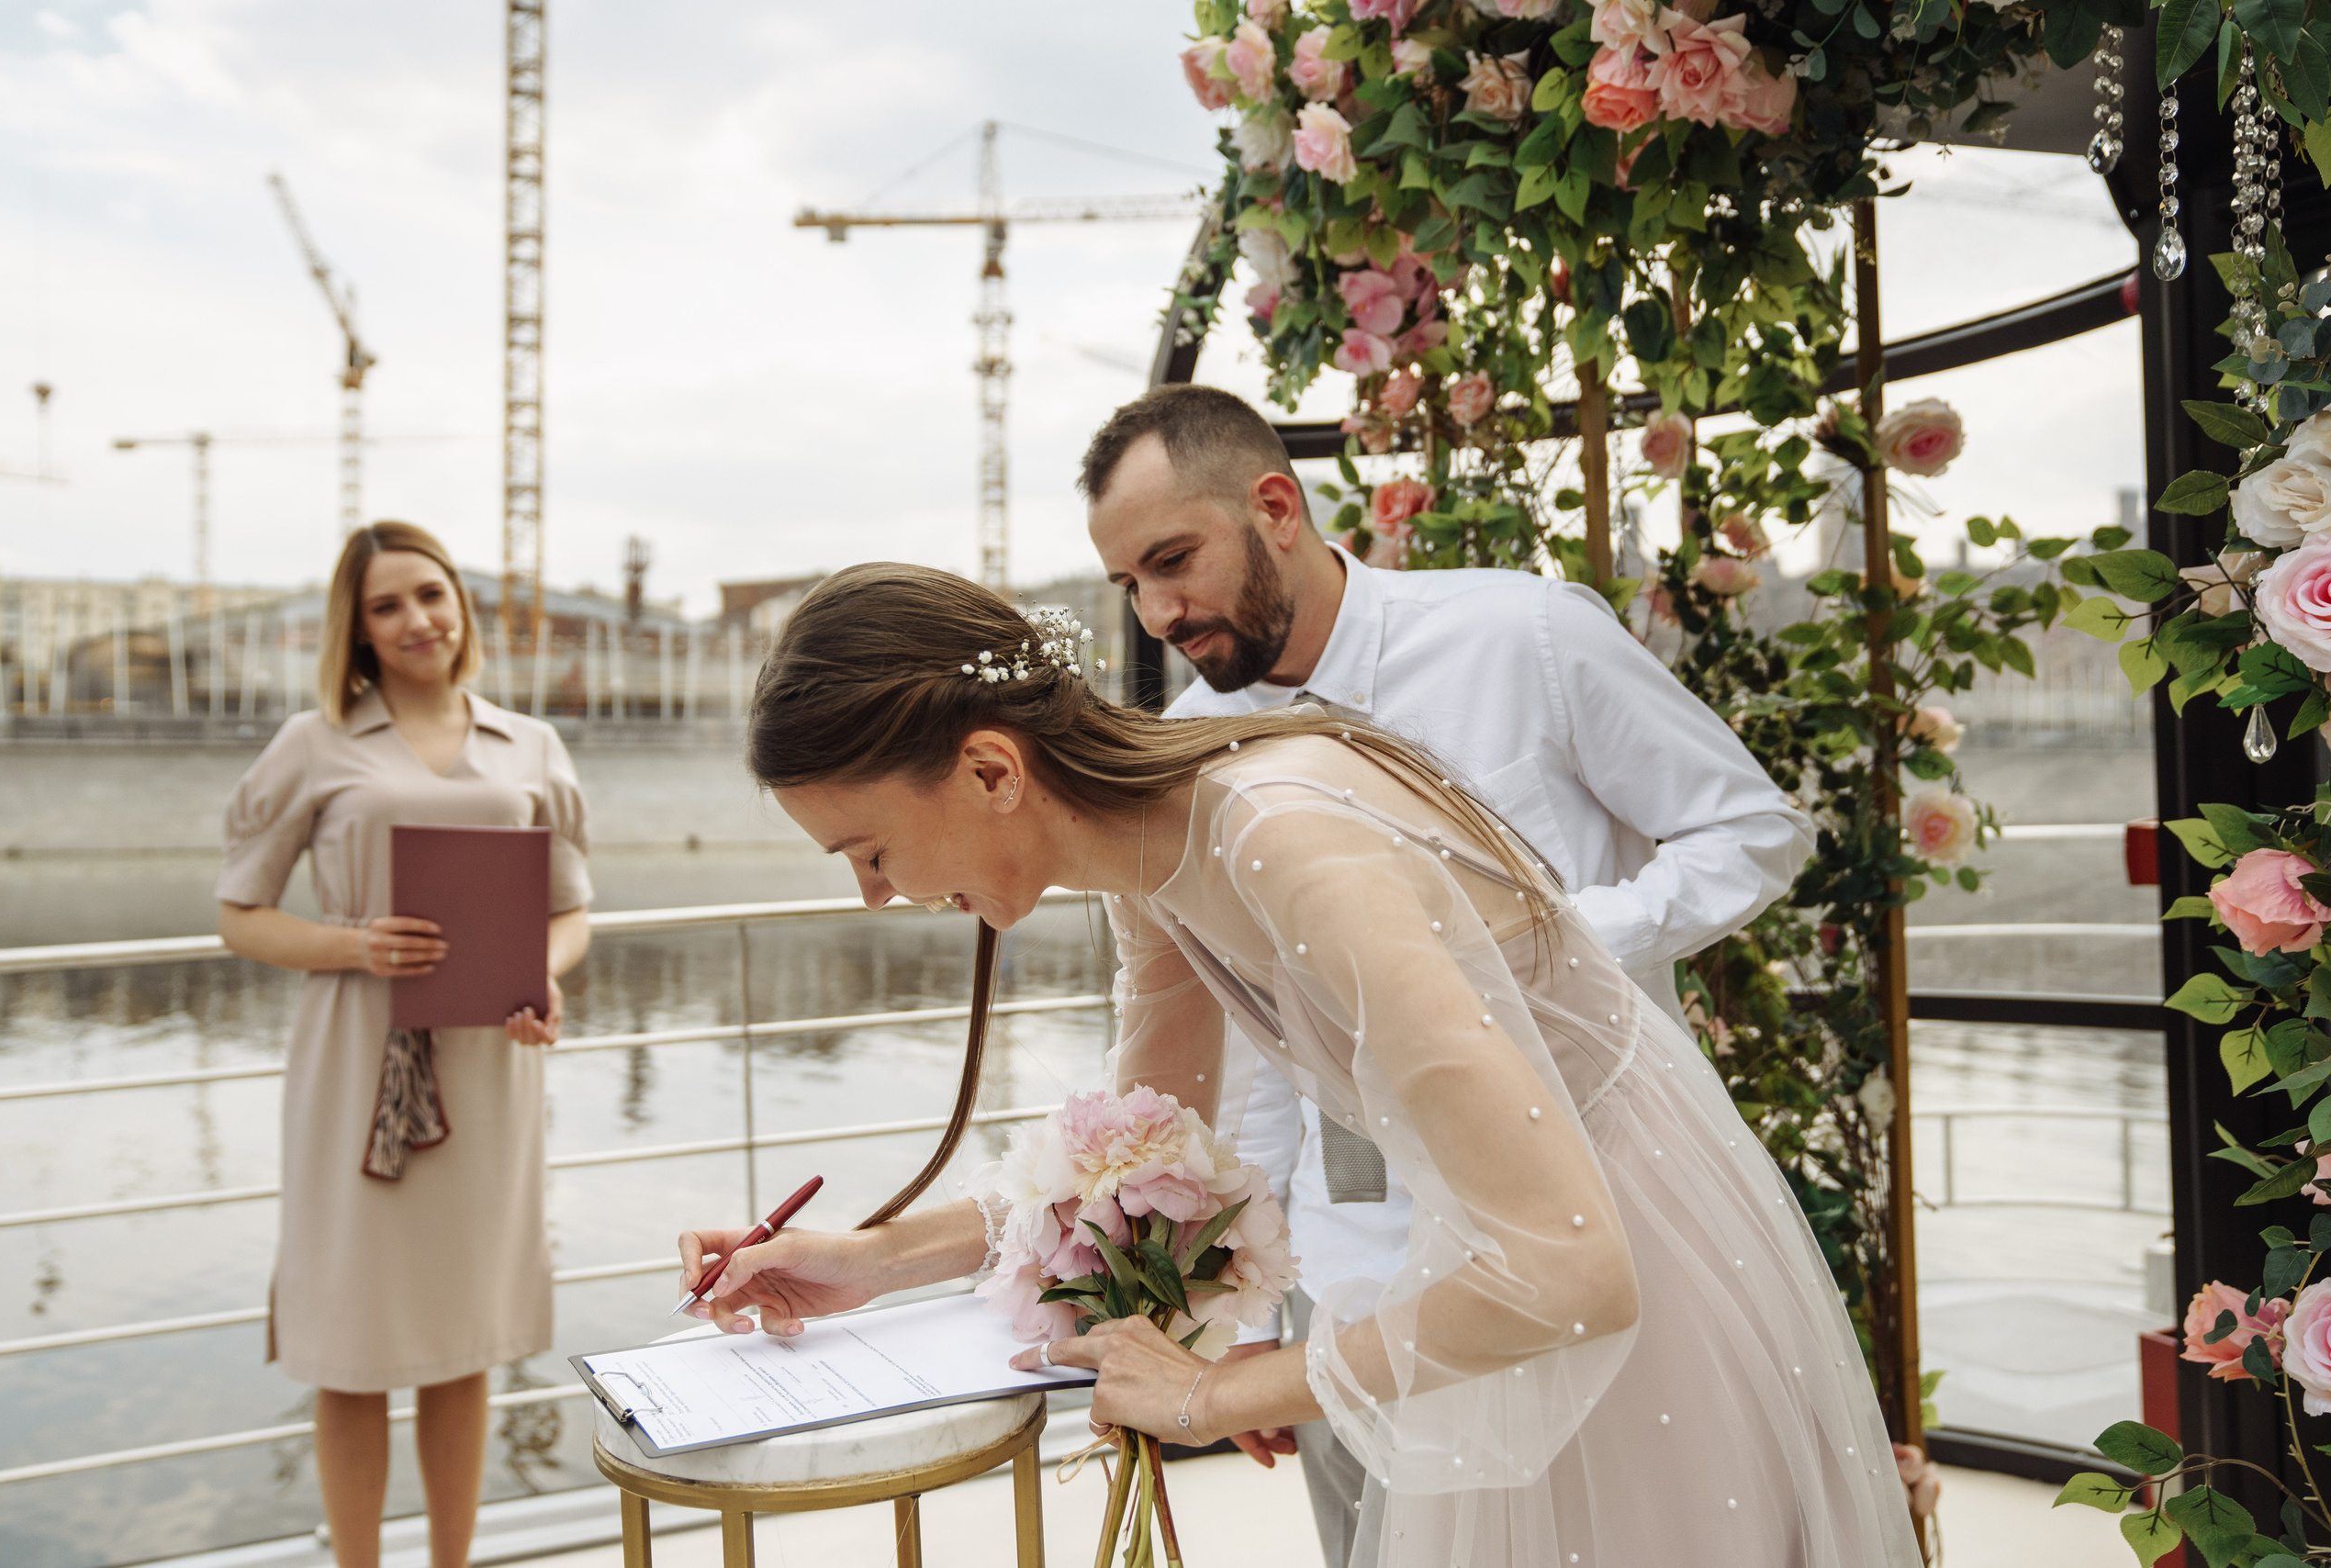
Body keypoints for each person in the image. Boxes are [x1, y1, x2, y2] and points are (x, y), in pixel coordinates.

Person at [675, 563, 1919, 1567]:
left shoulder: (1288, 842)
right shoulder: (1158, 854)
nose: (880, 895)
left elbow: (1572, 1268)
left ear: (991, 769)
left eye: (871, 850)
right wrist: (871, 1262)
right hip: (1503, 1243)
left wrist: (1218, 1391)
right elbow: (1151, 1165)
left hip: (1626, 1264)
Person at [1080, 383, 1821, 1558]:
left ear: (1275, 505)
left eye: (1173, 560)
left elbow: (1753, 829)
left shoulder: (1524, 635)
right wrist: (1250, 1311)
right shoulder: (1196, 746)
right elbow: (1253, 1046)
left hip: (1580, 1227)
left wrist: (1543, 954)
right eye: (1130, 584)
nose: (1159, 611)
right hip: (1350, 1275)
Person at [217, 521, 592, 1568]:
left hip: (491, 1066)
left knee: (457, 1342)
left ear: (459, 600)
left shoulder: (531, 746)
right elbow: (240, 915)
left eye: (430, 593)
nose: (417, 619)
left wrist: (542, 979)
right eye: (387, 605)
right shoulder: (315, 742)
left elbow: (572, 913)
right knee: (350, 1349)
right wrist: (352, 944)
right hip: (353, 1065)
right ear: (360, 627)